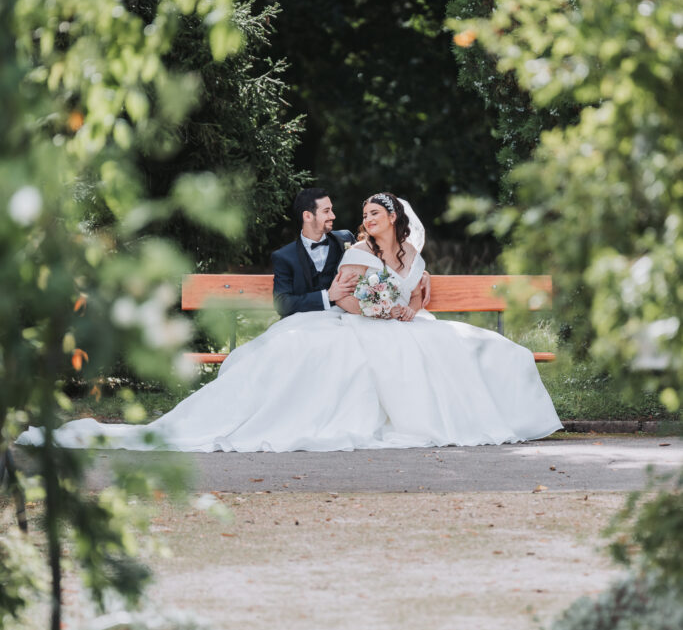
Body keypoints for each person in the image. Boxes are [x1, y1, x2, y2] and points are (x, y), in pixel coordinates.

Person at [18, 193, 561, 451]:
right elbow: (343, 297)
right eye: (361, 216)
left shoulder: (413, 259)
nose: (361, 220)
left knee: (479, 348)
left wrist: (404, 310)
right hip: (357, 324)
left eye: (373, 214)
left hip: (401, 327)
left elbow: (418, 297)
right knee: (312, 357)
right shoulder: (356, 252)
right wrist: (375, 310)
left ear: (393, 219)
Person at [271, 187, 430, 317]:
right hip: (309, 318)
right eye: (326, 211)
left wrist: (420, 274)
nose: (333, 216)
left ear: (393, 217)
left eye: (332, 210)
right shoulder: (284, 257)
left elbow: (380, 262)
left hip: (348, 316)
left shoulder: (345, 239)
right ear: (307, 216)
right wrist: (328, 296)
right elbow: (282, 304)